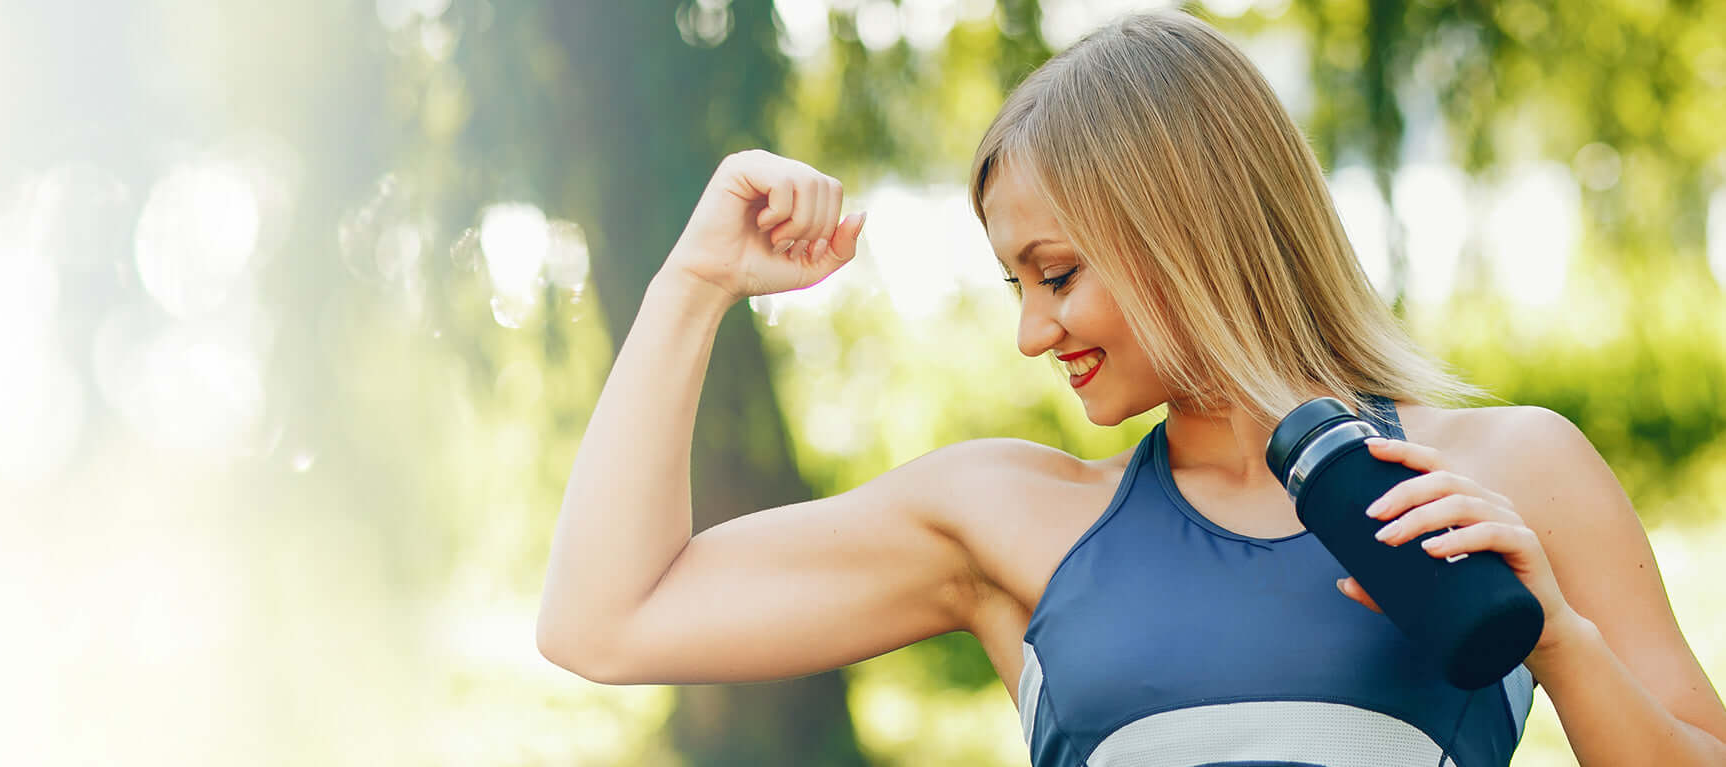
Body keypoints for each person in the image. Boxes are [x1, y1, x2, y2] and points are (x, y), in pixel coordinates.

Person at [533, 10, 1726, 766]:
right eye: (1014, 280)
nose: (1029, 330)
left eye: (1055, 273)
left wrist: (1558, 638)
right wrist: (691, 282)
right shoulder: (1005, 514)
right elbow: (605, 620)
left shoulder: (1511, 472)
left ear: (1188, 226)